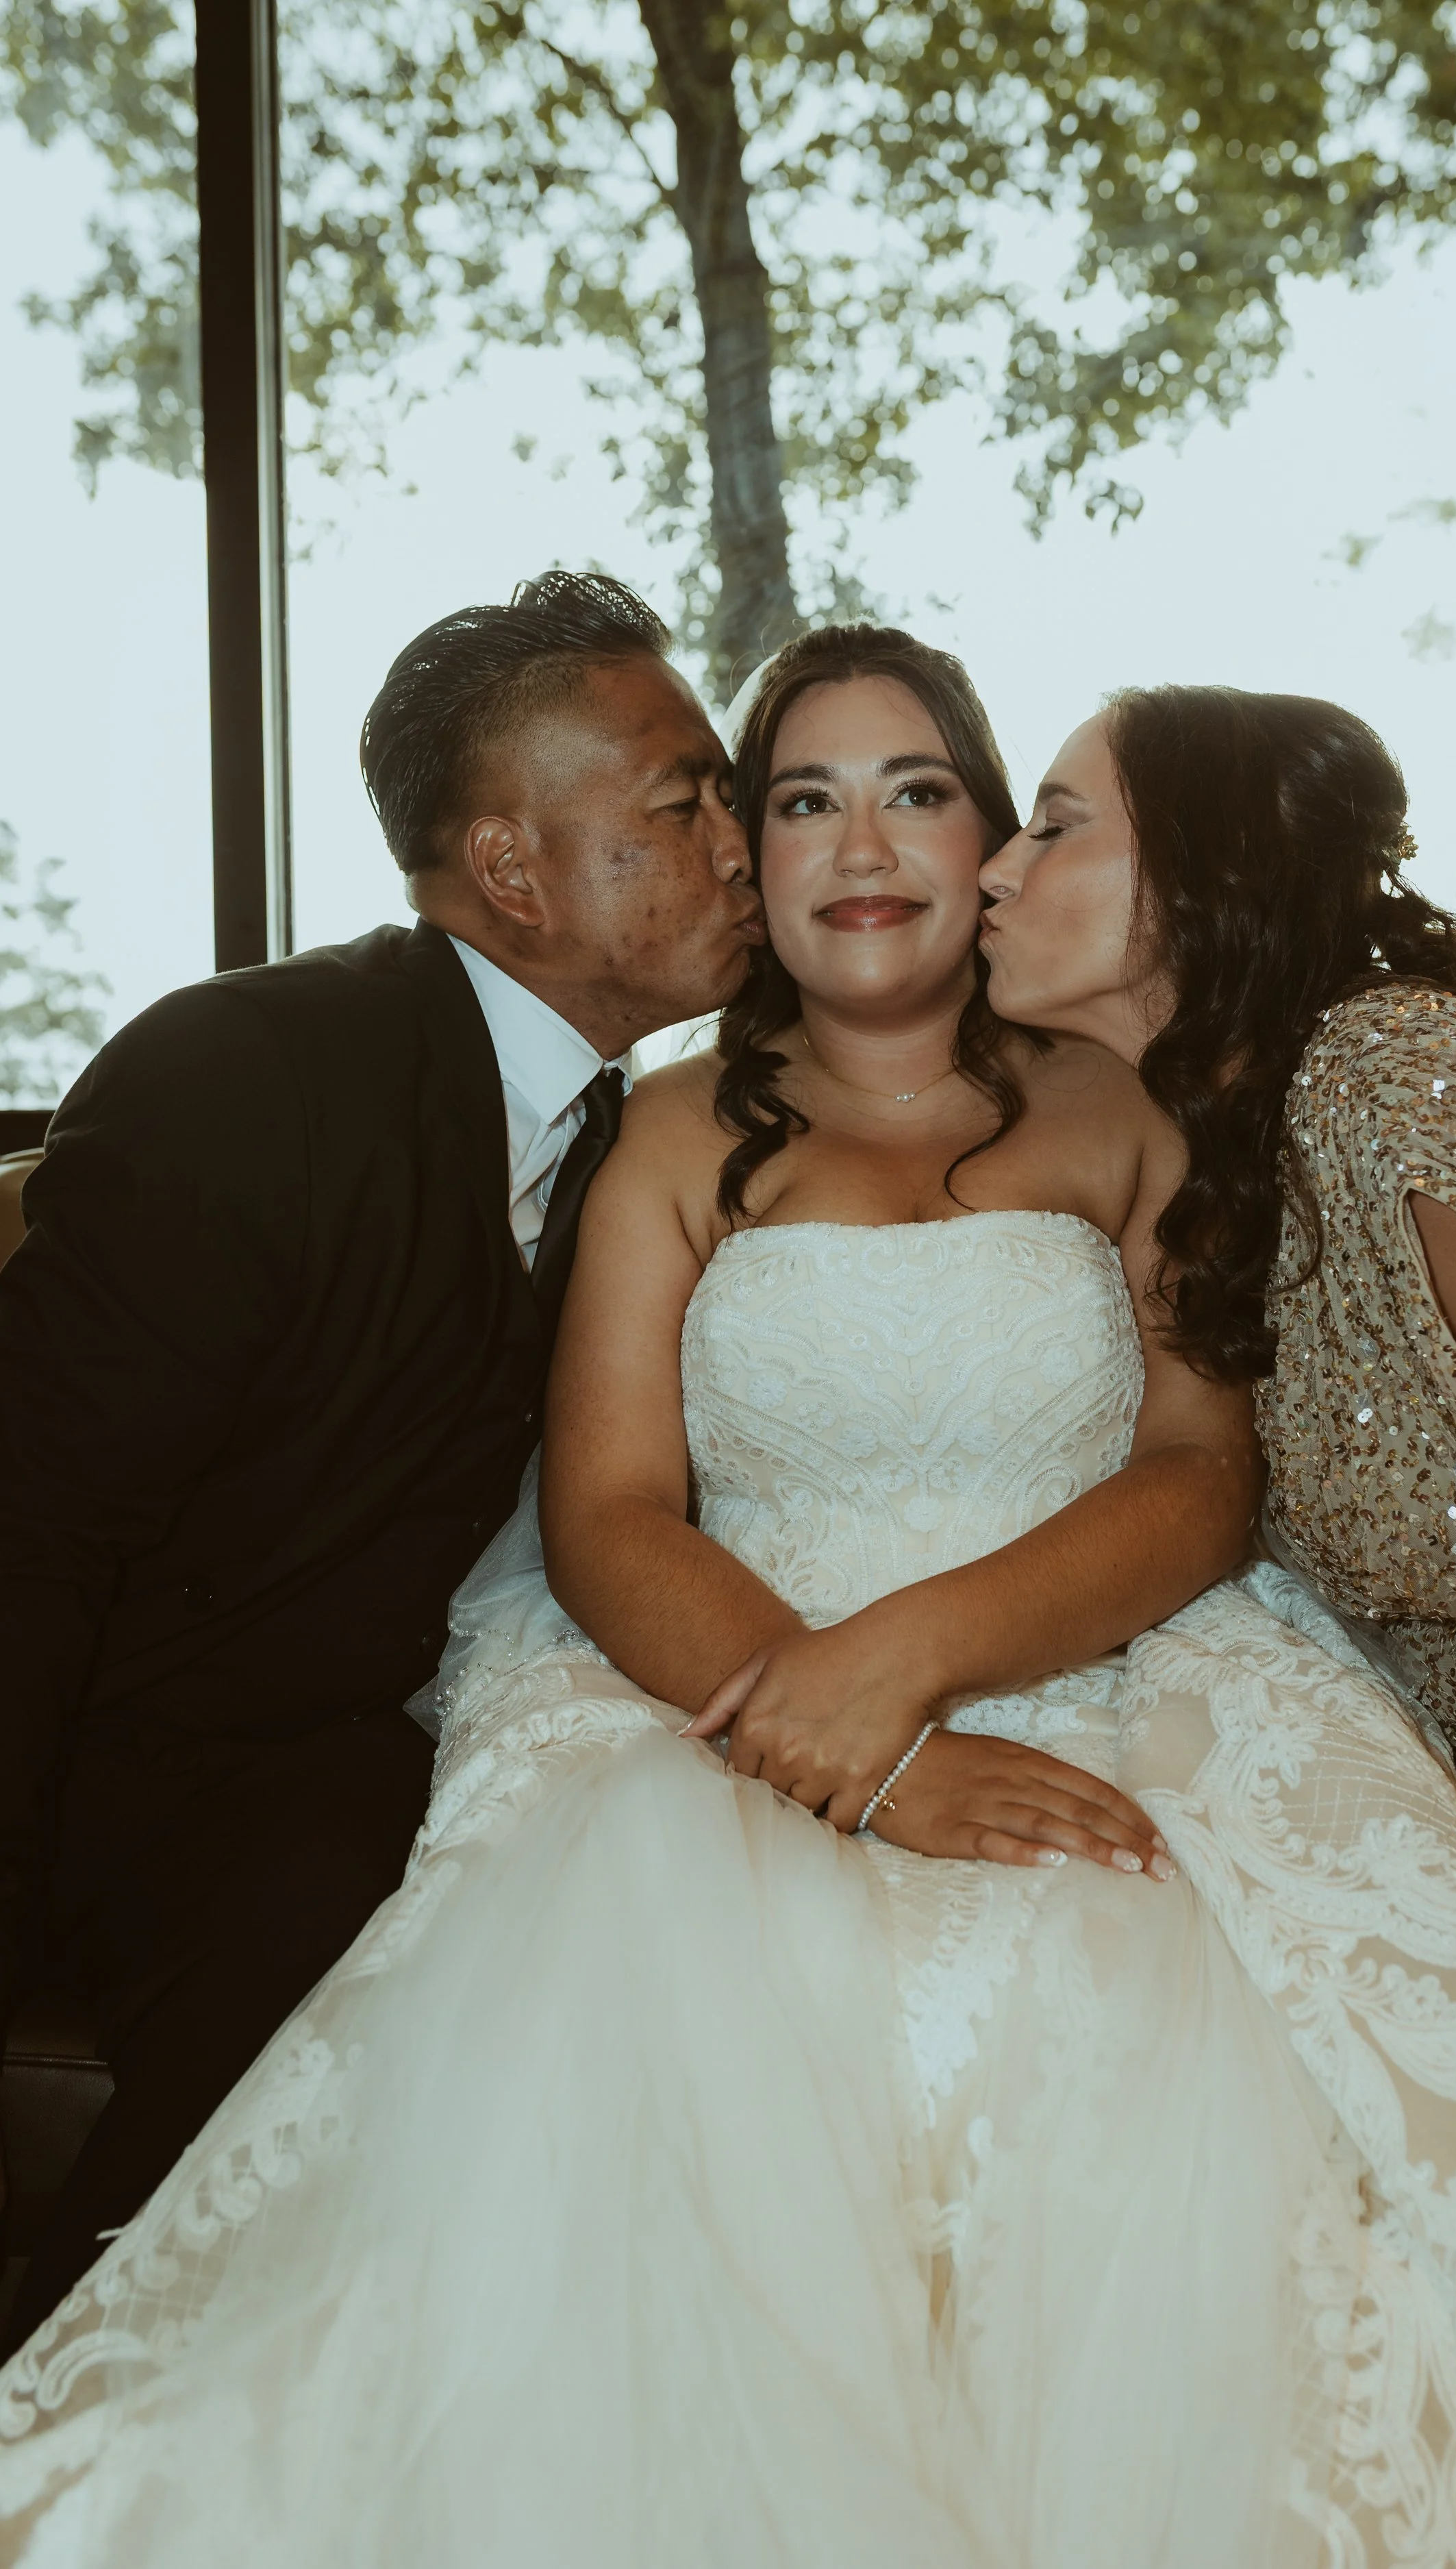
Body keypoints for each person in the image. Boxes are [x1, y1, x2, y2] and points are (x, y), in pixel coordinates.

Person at [3, 628, 1456, 2568]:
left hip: (1105, 1651)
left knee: (1224, 2037)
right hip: (734, 1675)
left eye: (919, 788)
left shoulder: (1127, 1107)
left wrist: (921, 1657)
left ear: (983, 841)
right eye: (791, 797)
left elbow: (1197, 1472)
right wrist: (853, 1736)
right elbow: (614, 1506)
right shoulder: (652, 1133)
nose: (847, 841)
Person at [0, 570, 760, 2348]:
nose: (736, 842)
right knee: (342, 1897)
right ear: (512, 867)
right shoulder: (244, 1071)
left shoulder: (649, 1133)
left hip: (466, 1729)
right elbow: (30, 1534)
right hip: (171, 1775)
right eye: (681, 799)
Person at [976, 681, 1456, 2149]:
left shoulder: (1394, 1086)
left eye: (1053, 827)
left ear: (1200, 877)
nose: (994, 868)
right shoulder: (1216, 1162)